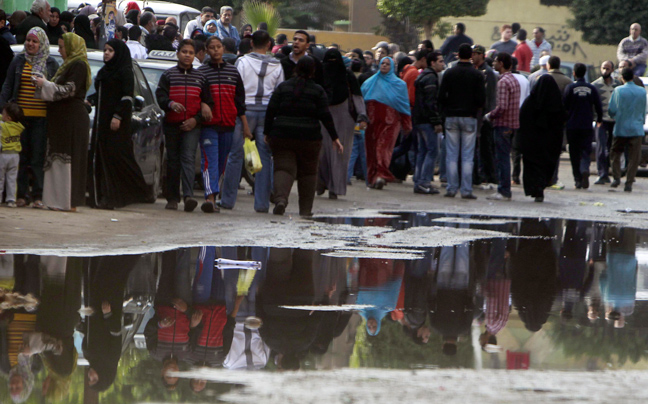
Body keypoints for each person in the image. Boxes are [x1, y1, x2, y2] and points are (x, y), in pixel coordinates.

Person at [265, 56, 343, 216]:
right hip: (309, 138)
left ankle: (280, 200)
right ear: (313, 71)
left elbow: (271, 110)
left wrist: (267, 131)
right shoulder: (317, 91)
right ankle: (305, 210)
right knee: (308, 173)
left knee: (283, 169)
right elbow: (325, 116)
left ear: (296, 68)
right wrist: (335, 137)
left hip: (282, 135)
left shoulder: (283, 87)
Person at [219, 30, 283, 213]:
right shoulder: (277, 65)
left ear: (251, 43)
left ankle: (227, 200)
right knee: (264, 157)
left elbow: (236, 90)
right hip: (267, 113)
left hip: (243, 112)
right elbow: (279, 93)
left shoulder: (242, 62)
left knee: (236, 155)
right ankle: (262, 203)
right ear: (269, 45)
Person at [0, 26, 58, 208]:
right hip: (19, 120)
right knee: (21, 157)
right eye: (28, 40)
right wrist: (3, 110)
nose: (30, 44)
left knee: (37, 158)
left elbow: (56, 89)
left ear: (41, 44)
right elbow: (8, 85)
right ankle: (21, 195)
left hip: (41, 118)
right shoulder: (18, 61)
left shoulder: (50, 63)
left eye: (34, 41)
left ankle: (38, 196)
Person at [87, 39, 149, 209]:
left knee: (117, 158)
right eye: (105, 50)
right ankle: (100, 195)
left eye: (111, 50)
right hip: (102, 123)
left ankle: (123, 195)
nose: (106, 53)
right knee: (101, 158)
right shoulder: (104, 71)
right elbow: (101, 94)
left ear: (119, 53)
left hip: (116, 125)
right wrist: (89, 101)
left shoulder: (125, 72)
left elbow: (127, 97)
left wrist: (118, 116)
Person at [34, 32, 91, 212]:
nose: (60, 51)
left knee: (69, 160)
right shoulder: (66, 66)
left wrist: (45, 84)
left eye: (62, 47)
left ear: (72, 47)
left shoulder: (79, 65)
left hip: (72, 120)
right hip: (61, 120)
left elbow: (69, 90)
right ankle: (57, 201)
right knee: (57, 159)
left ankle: (69, 202)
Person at [156, 39, 213, 212]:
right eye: (184, 52)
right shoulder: (168, 75)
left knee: (188, 158)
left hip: (193, 126)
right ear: (178, 54)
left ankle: (188, 196)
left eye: (191, 52)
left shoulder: (201, 78)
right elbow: (160, 96)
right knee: (172, 160)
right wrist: (171, 104)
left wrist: (195, 120)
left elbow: (208, 102)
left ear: (195, 56)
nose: (187, 55)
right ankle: (172, 198)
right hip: (172, 124)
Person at [197, 36, 249, 213]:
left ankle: (213, 194)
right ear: (207, 50)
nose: (215, 50)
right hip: (208, 125)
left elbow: (240, 101)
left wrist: (245, 126)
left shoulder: (233, 72)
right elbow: (198, 98)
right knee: (209, 160)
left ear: (223, 49)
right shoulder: (202, 72)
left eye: (218, 47)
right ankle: (210, 198)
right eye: (211, 48)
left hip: (229, 124)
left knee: (221, 163)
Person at [317, 49, 367, 200]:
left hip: (343, 116)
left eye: (334, 60)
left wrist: (362, 116)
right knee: (322, 153)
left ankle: (335, 187)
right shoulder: (319, 74)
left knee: (340, 153)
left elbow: (357, 96)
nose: (331, 64)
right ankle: (323, 182)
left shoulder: (347, 75)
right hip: (323, 115)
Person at [438, 43, 485, 199]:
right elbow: (481, 100)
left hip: (451, 116)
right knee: (467, 156)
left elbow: (441, 97)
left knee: (451, 155)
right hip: (470, 117)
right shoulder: (477, 75)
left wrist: (444, 112)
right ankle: (466, 190)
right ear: (471, 55)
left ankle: (451, 188)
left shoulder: (449, 73)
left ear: (458, 55)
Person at [361, 56, 412, 189]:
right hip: (371, 121)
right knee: (371, 149)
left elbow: (403, 106)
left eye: (387, 64)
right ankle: (373, 177)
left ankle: (381, 175)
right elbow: (361, 102)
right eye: (382, 63)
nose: (384, 66)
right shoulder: (370, 82)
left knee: (383, 148)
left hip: (390, 122)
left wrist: (406, 124)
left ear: (392, 67)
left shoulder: (399, 85)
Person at [517, 74, 565, 202]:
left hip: (532, 145)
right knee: (545, 166)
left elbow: (522, 122)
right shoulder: (557, 105)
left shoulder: (529, 103)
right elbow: (561, 124)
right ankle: (540, 188)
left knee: (533, 167)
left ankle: (535, 189)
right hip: (549, 145)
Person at [485, 52, 520, 201]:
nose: (494, 64)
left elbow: (502, 106)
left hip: (502, 124)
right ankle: (504, 189)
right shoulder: (514, 80)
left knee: (502, 159)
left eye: (496, 61)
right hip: (512, 124)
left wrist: (489, 115)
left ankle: (504, 190)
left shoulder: (503, 82)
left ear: (501, 63)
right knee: (505, 158)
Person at [563, 63, 603, 190]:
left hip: (572, 126)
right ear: (584, 73)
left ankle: (578, 180)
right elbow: (598, 106)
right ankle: (584, 168)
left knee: (574, 153)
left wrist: (565, 121)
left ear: (574, 73)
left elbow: (564, 106)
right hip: (586, 125)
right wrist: (599, 119)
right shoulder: (591, 88)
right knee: (585, 150)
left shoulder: (570, 88)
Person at [608, 67, 646, 193]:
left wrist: (617, 116)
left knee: (615, 153)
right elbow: (644, 110)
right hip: (637, 128)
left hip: (620, 127)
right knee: (634, 157)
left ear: (622, 78)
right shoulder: (642, 91)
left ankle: (616, 177)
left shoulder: (618, 90)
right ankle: (629, 182)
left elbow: (611, 110)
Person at [411, 51, 444, 195]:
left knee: (423, 151)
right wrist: (436, 121)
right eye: (440, 61)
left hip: (419, 119)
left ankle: (419, 181)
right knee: (432, 151)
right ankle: (424, 182)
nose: (442, 64)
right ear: (432, 63)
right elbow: (431, 102)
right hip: (426, 120)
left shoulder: (423, 76)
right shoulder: (431, 78)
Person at [471, 44, 498, 187]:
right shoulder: (474, 70)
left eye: (475, 54)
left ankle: (490, 176)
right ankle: (477, 176)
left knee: (485, 149)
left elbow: (489, 97)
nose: (472, 56)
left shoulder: (487, 72)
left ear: (481, 55)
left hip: (485, 117)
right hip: (475, 116)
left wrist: (486, 116)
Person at [591, 61, 621, 185]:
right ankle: (602, 174)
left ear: (612, 70)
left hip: (614, 121)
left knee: (612, 148)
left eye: (608, 68)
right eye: (603, 68)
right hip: (601, 121)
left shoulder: (618, 85)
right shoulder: (595, 85)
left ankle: (611, 173)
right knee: (601, 147)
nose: (605, 71)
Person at [0, 102, 24, 207]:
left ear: (8, 118)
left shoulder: (3, 126)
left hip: (3, 155)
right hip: (15, 155)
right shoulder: (19, 126)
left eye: (3, 113)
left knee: (0, 178)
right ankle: (11, 199)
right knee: (12, 178)